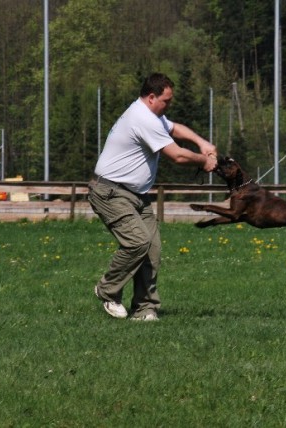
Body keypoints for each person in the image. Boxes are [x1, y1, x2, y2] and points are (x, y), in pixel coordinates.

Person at [88, 73, 217, 321]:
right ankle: (107, 290)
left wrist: (202, 142)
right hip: (111, 192)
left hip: (136, 195)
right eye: (166, 101)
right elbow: (177, 155)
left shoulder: (152, 115)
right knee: (137, 242)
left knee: (152, 250)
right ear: (151, 97)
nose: (169, 105)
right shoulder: (142, 118)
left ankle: (144, 309)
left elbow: (175, 127)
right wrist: (205, 160)